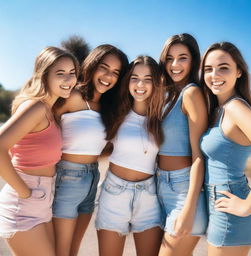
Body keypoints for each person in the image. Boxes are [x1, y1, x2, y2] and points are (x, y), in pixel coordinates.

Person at [0, 46, 78, 256]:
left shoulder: (50, 111)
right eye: (60, 73)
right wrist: (24, 192)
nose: (68, 79)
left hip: (42, 201)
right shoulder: (36, 108)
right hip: (24, 202)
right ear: (44, 76)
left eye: (72, 73)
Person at [52, 44, 129, 256]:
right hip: (67, 176)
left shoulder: (108, 107)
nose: (108, 76)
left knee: (73, 251)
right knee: (61, 251)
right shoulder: (71, 96)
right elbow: (42, 126)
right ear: (92, 65)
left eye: (115, 72)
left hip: (93, 177)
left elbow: (98, 147)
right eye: (103, 67)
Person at [95, 56, 164, 256]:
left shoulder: (161, 117)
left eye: (148, 79)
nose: (140, 84)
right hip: (114, 192)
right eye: (134, 78)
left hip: (149, 196)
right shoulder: (114, 112)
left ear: (156, 83)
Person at [200, 42, 251, 256]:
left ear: (239, 71)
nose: (214, 74)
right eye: (208, 69)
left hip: (231, 205)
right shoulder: (220, 109)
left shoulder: (235, 108)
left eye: (223, 67)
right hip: (218, 202)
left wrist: (247, 206)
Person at [157, 33, 208, 256]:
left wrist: (189, 208)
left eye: (182, 58)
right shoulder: (166, 94)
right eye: (169, 58)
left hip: (183, 190)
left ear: (193, 60)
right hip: (159, 186)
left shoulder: (192, 93)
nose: (175, 65)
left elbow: (199, 156)